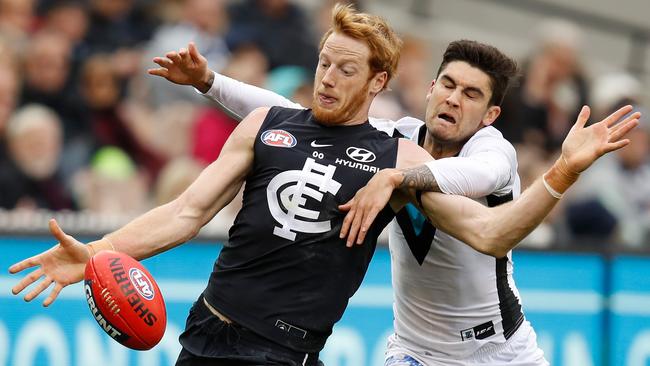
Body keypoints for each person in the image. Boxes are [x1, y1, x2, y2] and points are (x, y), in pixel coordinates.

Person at [9, 5, 638, 366]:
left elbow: (490, 231)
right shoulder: (270, 123)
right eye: (322, 64)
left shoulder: (412, 154)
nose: (328, 79)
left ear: (378, 80)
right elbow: (185, 211)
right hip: (208, 334)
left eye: (346, 69)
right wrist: (96, 253)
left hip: (301, 352)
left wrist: (562, 170)